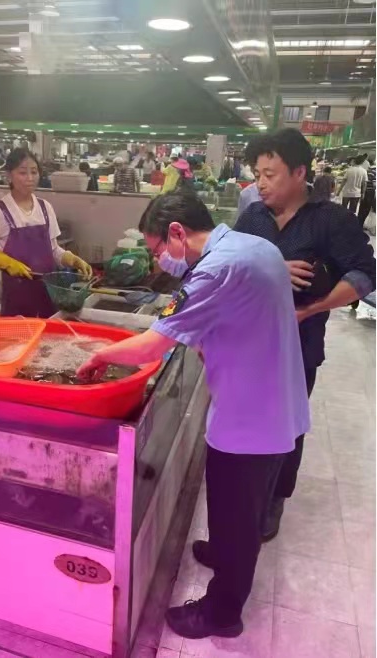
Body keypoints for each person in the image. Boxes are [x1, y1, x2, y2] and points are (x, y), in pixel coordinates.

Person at [77, 191, 310, 640]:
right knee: (235, 507)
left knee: (237, 518)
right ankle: (223, 551)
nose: (159, 260)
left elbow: (151, 346)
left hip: (250, 421)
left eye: (157, 249)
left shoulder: (214, 269)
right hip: (274, 402)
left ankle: (222, 614)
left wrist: (99, 355)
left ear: (177, 232)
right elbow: (243, 316)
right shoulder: (254, 247)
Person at [235, 128, 375, 540]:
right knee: (246, 421)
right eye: (257, 174)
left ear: (299, 172)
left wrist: (310, 309)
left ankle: (275, 498)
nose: (260, 184)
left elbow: (365, 275)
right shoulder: (253, 217)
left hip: (299, 346)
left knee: (286, 426)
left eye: (270, 174)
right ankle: (243, 490)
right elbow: (229, 264)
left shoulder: (331, 220)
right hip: (247, 344)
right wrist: (270, 266)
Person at [0, 148, 91, 317]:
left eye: (34, 172)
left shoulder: (45, 208)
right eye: (22, 173)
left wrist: (71, 259)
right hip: (18, 296)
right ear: (9, 176)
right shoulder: (1, 211)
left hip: (48, 294)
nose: (30, 178)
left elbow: (53, 249)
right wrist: (6, 262)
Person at [358, 157, 376, 229]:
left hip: (364, 191)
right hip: (370, 192)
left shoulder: (367, 171)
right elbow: (374, 184)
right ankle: (360, 225)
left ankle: (359, 223)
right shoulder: (374, 171)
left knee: (362, 208)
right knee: (366, 209)